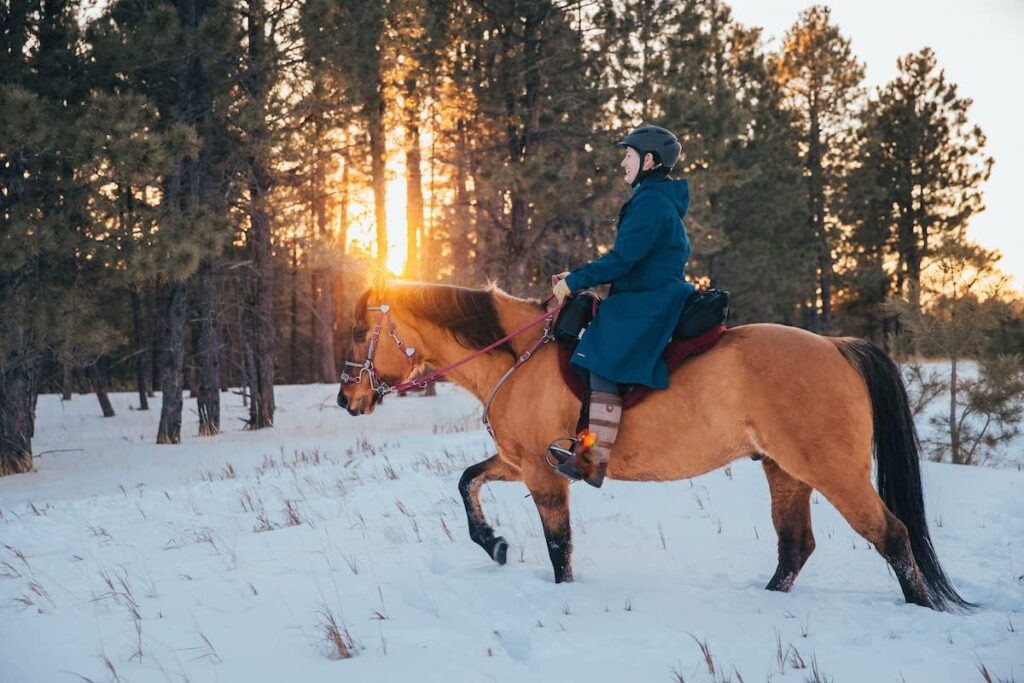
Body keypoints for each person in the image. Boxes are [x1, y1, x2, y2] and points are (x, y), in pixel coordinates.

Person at [549, 124, 694, 487]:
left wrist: (575, 281)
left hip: (650, 301)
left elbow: (622, 259)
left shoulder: (651, 202)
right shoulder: (656, 197)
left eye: (628, 156)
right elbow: (630, 260)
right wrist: (579, 275)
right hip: (645, 294)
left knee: (602, 357)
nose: (622, 162)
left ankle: (593, 459)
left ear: (648, 160)